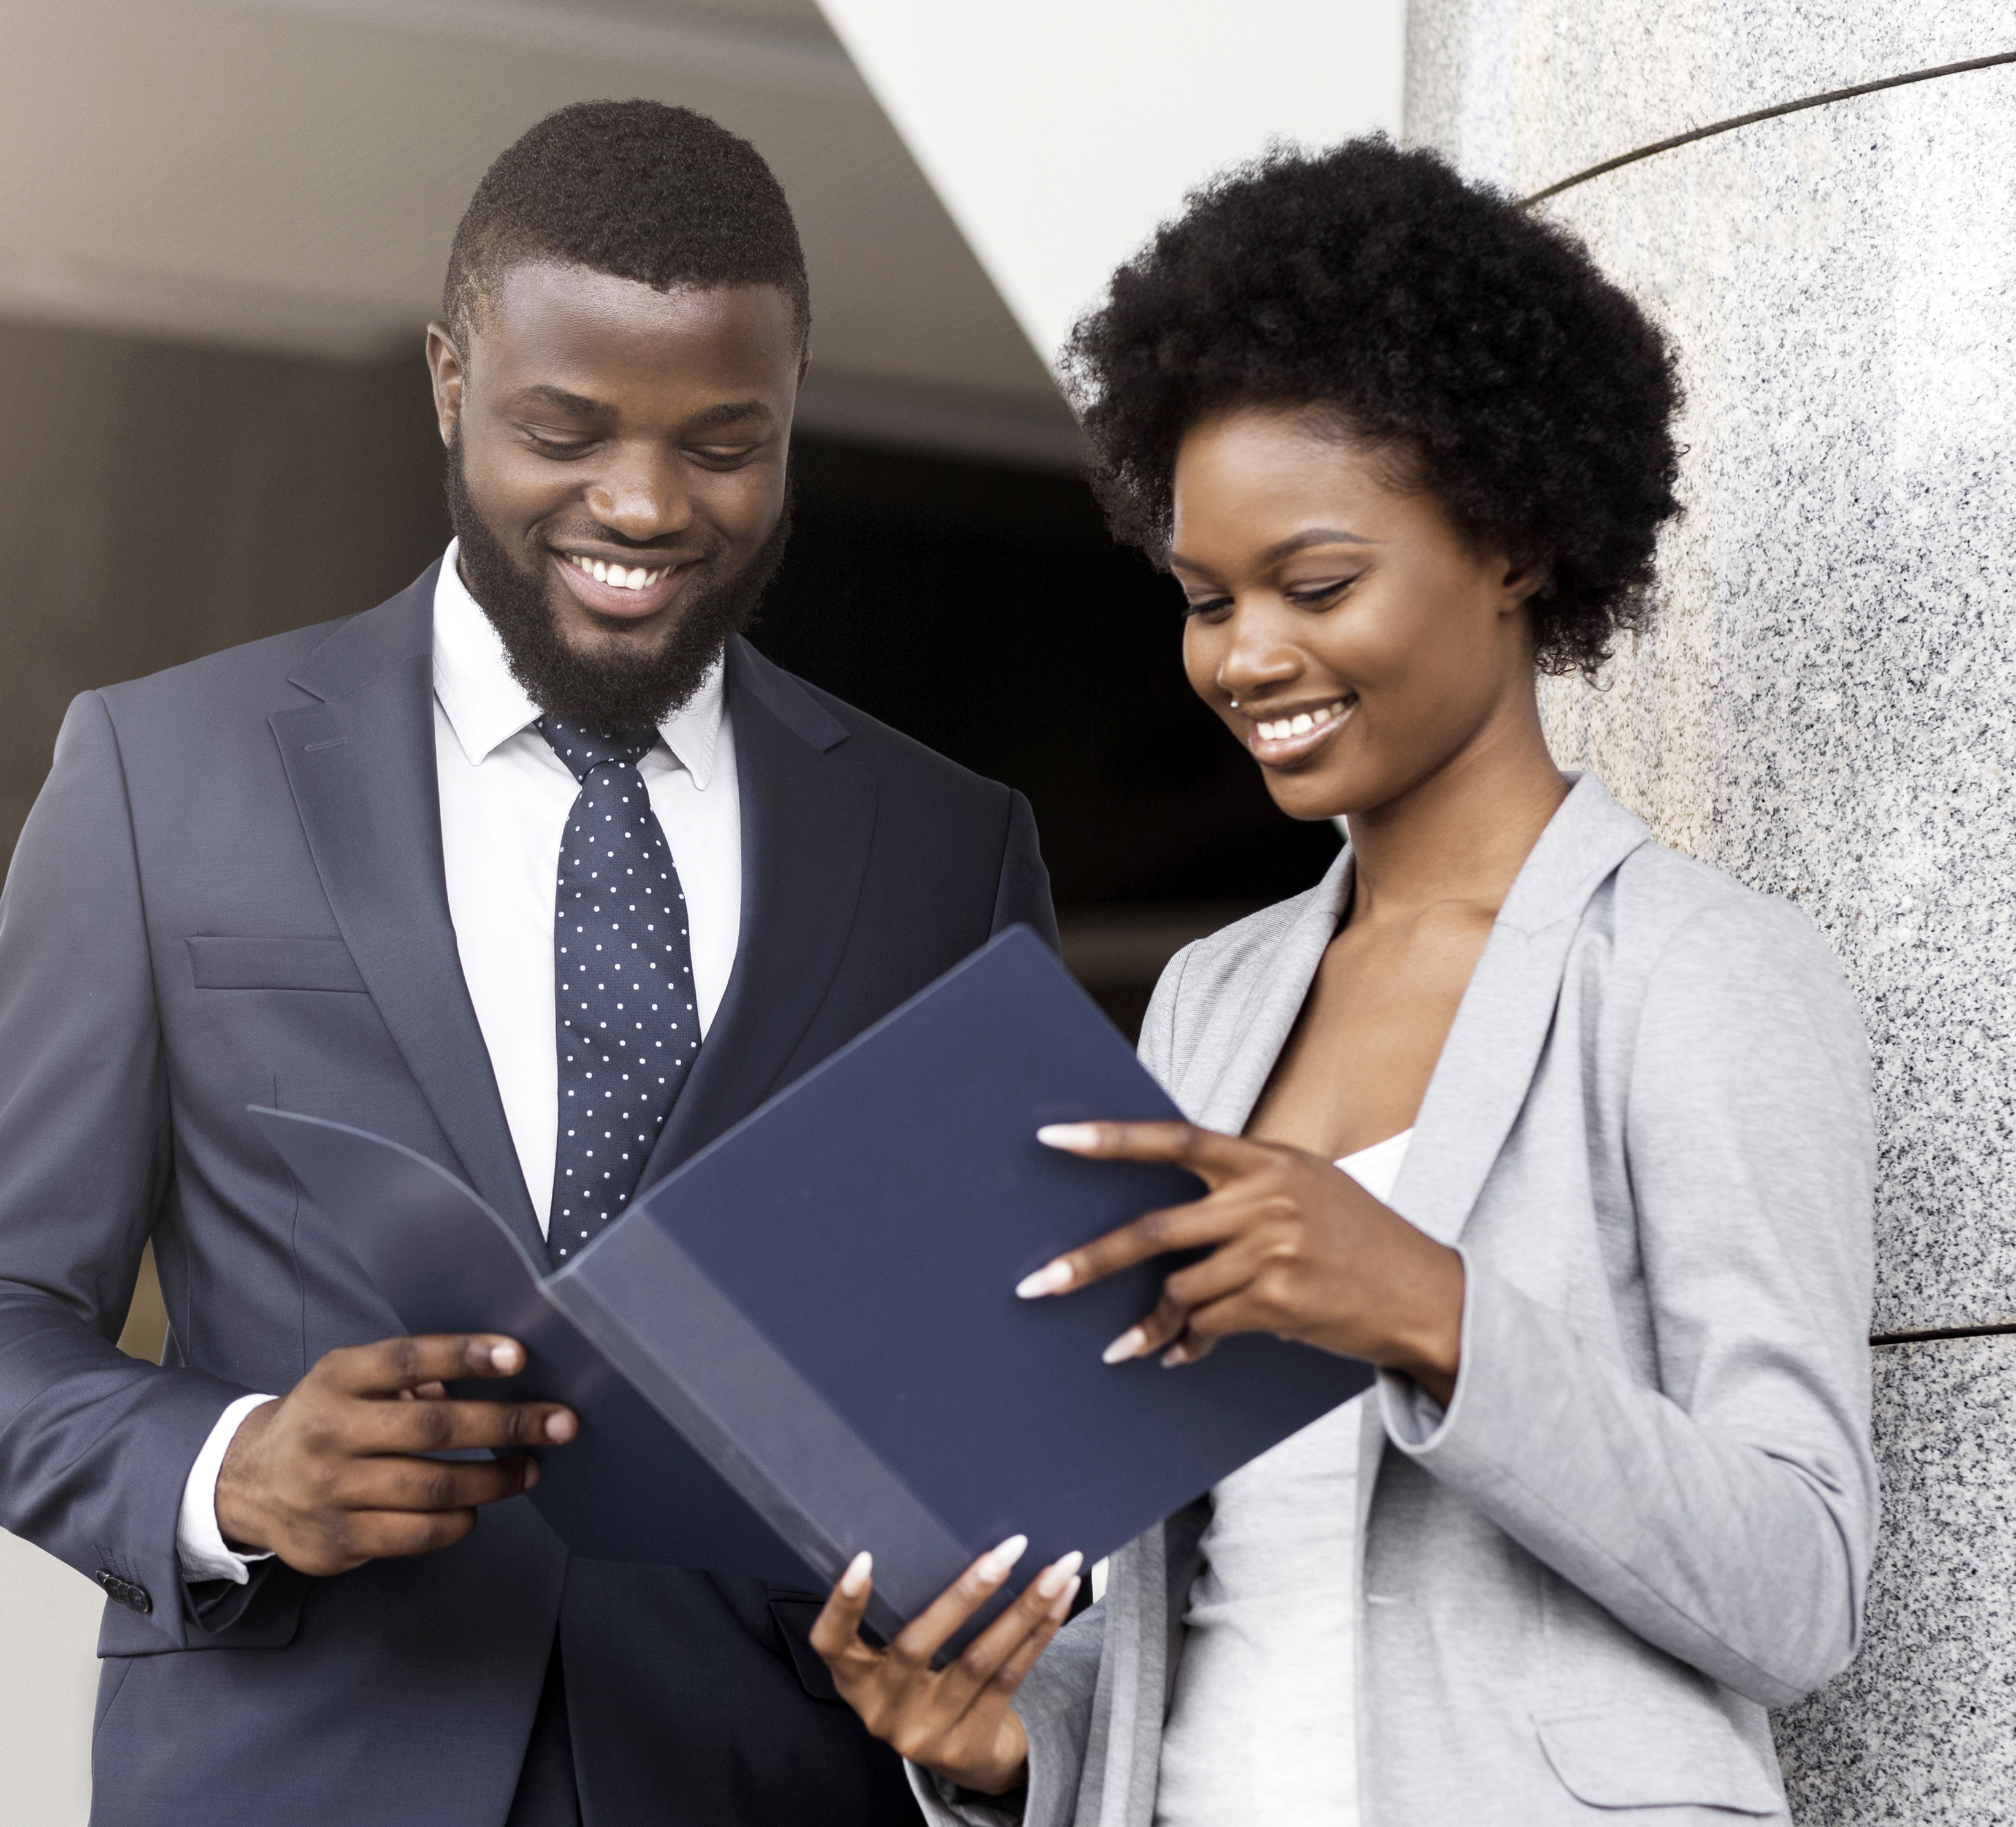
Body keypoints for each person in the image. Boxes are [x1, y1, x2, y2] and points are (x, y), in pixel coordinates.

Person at [0, 101, 1056, 1826]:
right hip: (296, 1774)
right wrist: (234, 1468)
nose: (642, 504)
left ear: (792, 405)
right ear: (449, 381)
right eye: (563, 430)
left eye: (724, 443)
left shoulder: (947, 850)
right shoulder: (161, 774)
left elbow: (1004, 1394)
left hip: (764, 1779)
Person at [803, 139, 1877, 1826]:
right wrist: (1003, 1743)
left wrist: (1427, 1311)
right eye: (1204, 600)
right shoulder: (1212, 1000)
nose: (1245, 657)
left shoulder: (1692, 973)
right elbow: (1215, 1589)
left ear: (1513, 542)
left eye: (1315, 585)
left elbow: (1798, 1585)